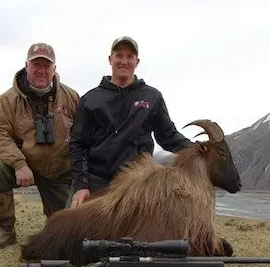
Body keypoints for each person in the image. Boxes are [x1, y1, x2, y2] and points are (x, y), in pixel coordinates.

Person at [69, 36, 193, 208]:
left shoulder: (152, 97)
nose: (124, 61)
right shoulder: (90, 99)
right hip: (97, 180)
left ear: (137, 61)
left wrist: (197, 150)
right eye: (119, 55)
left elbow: (168, 136)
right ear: (110, 60)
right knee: (72, 230)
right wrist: (81, 185)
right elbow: (78, 145)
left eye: (130, 57)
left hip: (138, 183)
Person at [0, 42, 79, 250]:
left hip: (60, 170)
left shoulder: (71, 97)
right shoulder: (8, 100)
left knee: (65, 231)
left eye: (47, 65)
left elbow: (84, 135)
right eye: (36, 65)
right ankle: (6, 231)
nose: (41, 70)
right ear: (26, 66)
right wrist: (18, 164)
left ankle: (56, 222)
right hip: (25, 166)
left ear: (54, 69)